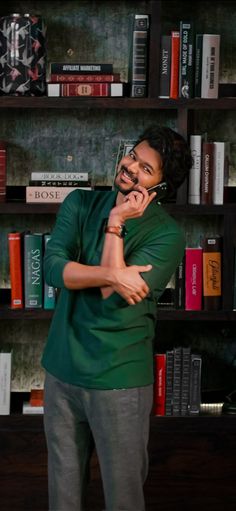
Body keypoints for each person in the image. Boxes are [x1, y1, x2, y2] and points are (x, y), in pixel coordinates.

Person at [41, 124, 192, 511]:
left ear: (160, 189)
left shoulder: (167, 236)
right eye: (132, 157)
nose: (130, 169)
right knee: (63, 496)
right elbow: (55, 269)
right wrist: (112, 273)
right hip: (61, 370)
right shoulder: (78, 202)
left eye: (146, 170)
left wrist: (117, 222)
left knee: (123, 498)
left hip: (119, 380)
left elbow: (110, 299)